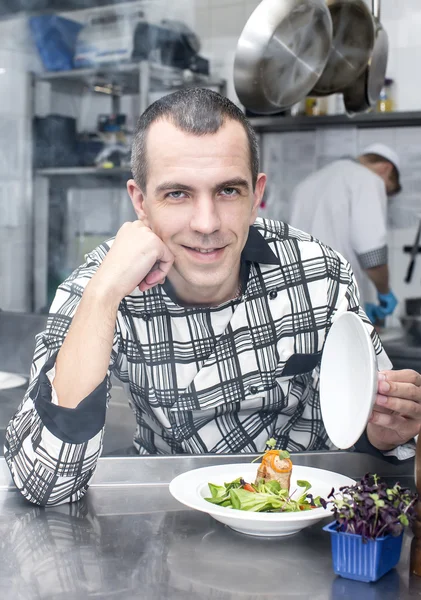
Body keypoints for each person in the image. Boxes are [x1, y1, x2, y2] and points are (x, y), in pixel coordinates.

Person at [5, 89, 421, 507]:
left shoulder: (318, 274)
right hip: (164, 524)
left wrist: (383, 435)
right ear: (140, 202)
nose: (206, 224)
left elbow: (380, 438)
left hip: (306, 521)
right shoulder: (99, 285)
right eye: (177, 194)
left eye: (227, 191)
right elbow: (45, 483)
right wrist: (103, 295)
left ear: (257, 196)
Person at [289, 144, 401, 325]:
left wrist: (364, 303)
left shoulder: (307, 183)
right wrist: (384, 291)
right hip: (337, 305)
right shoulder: (369, 180)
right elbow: (372, 255)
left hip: (298, 305)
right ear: (385, 169)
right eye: (387, 190)